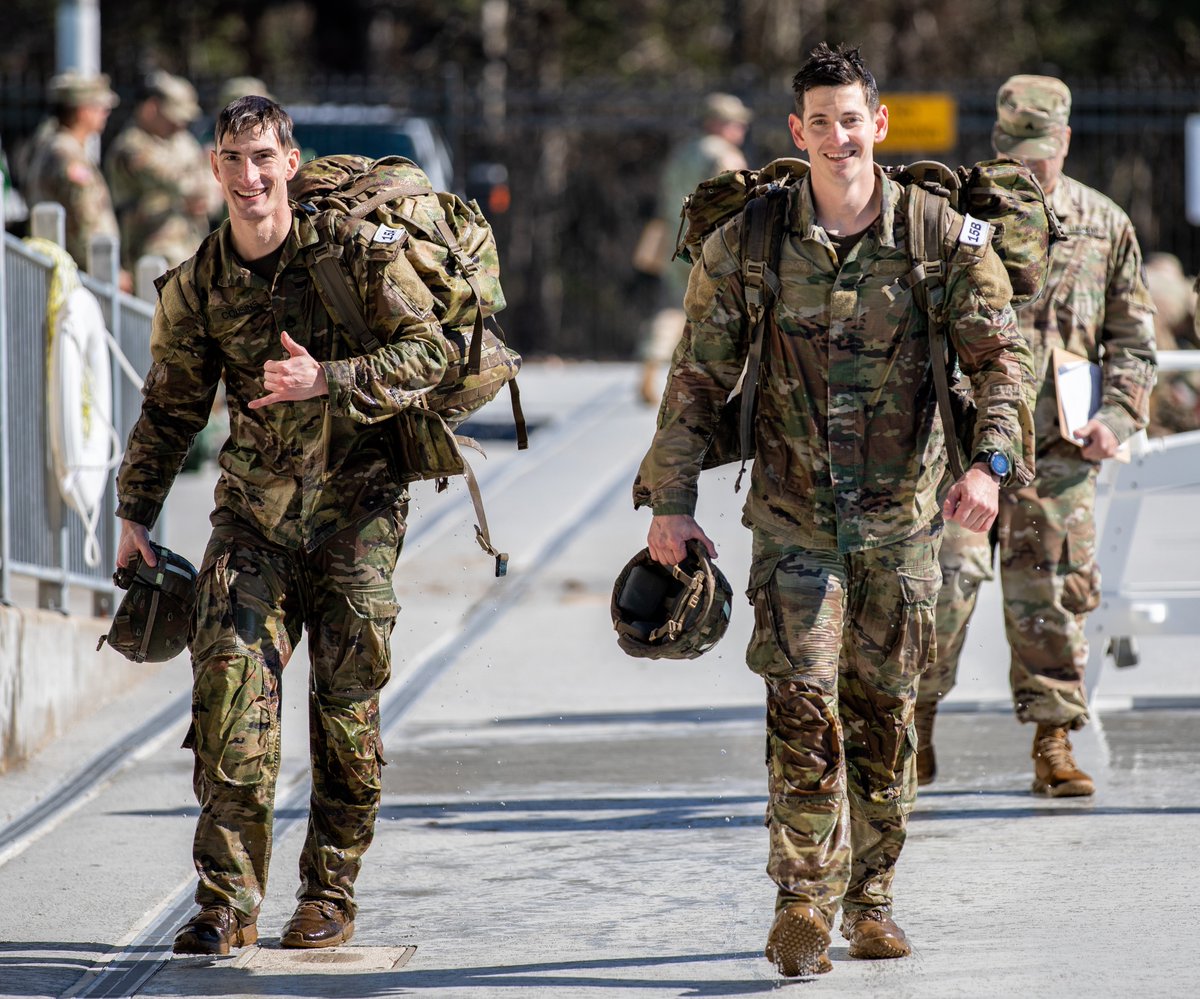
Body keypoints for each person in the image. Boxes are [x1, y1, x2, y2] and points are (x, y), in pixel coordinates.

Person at [632, 43, 1034, 977]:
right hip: (794, 521)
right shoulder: (752, 241)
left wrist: (992, 466)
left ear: (878, 124)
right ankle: (803, 899)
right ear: (797, 132)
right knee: (802, 705)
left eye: (853, 118)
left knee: (884, 715)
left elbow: (1001, 366)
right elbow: (696, 378)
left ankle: (873, 897)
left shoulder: (942, 237)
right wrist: (671, 502)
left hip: (903, 526)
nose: (839, 135)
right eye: (820, 121)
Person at [113, 96, 449, 955]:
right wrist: (134, 513)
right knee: (228, 695)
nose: (250, 176)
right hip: (254, 520)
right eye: (232, 158)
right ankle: (227, 898)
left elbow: (431, 354)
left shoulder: (353, 256)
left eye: (264, 157)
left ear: (291, 162)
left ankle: (329, 890)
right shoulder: (201, 283)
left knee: (344, 714)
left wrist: (326, 379)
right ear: (214, 168)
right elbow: (170, 407)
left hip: (357, 515)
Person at [915, 76, 1157, 796]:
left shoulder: (1104, 223)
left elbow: (1134, 342)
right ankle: (912, 728)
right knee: (943, 584)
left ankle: (1053, 740)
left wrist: (1117, 419)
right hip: (963, 444)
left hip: (1059, 445)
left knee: (1050, 592)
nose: (1033, 169)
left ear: (1066, 144)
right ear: (997, 145)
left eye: (1043, 156)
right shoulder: (962, 214)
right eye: (1018, 155)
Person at [636, 92, 751, 405]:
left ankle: (650, 362)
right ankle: (739, 384)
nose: (741, 129)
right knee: (732, 308)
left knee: (675, 306)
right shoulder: (725, 154)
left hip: (677, 241)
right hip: (713, 243)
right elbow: (736, 199)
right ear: (718, 124)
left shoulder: (682, 153)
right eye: (735, 123)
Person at [104, 70, 219, 270]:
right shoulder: (132, 147)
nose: (179, 125)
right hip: (152, 257)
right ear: (151, 109)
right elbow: (182, 183)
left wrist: (209, 197)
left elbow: (215, 178)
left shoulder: (181, 141)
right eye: (173, 117)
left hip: (192, 250)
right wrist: (201, 188)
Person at [23, 71, 127, 285]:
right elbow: (84, 216)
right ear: (82, 110)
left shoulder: (52, 144)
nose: (105, 113)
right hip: (79, 275)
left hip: (69, 272)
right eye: (101, 107)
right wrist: (106, 272)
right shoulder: (65, 153)